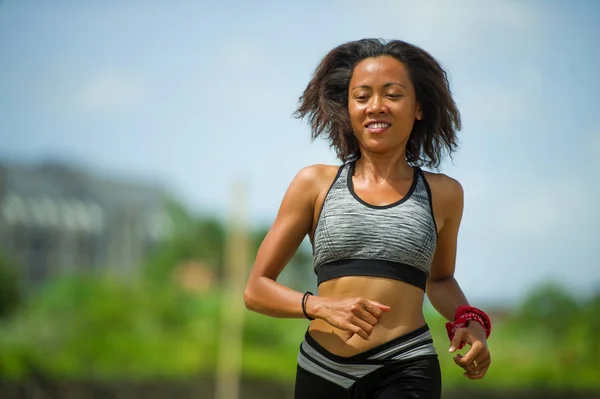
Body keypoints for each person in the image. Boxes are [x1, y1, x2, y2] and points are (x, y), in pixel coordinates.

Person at [244, 38, 492, 399]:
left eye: (392, 95)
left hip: (406, 364)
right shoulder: (314, 183)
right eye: (362, 97)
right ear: (348, 108)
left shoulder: (444, 193)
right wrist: (320, 306)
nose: (376, 107)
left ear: (419, 107)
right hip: (320, 367)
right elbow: (256, 289)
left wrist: (469, 320)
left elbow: (440, 280)